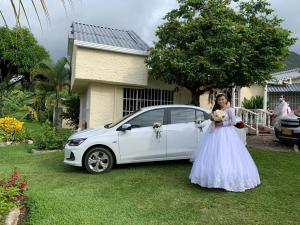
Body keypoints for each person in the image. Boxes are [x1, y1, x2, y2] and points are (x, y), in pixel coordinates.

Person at [189, 93, 261, 192]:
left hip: (227, 133)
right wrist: (214, 119)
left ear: (226, 100)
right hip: (214, 134)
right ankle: (211, 178)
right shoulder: (216, 110)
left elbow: (234, 121)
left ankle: (228, 179)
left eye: (222, 99)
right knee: (214, 154)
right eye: (219, 100)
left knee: (227, 154)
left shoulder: (230, 110)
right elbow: (213, 120)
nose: (221, 101)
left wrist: (222, 123)